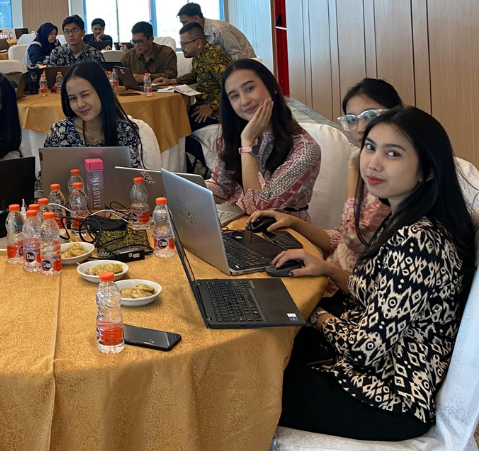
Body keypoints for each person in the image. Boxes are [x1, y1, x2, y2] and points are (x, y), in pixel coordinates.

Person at [272, 106, 475, 441]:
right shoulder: (406, 216)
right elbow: (382, 296)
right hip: (372, 372)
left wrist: (314, 315)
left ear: (427, 171)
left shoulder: (418, 240)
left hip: (389, 397)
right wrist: (328, 269)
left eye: (393, 153)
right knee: (269, 351)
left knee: (251, 385)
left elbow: (365, 349)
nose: (373, 163)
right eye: (370, 147)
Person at [250, 78, 403, 298]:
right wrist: (294, 222)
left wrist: (353, 169)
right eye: (352, 119)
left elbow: (354, 239)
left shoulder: (393, 182)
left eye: (370, 115)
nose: (360, 128)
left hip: (347, 297)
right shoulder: (368, 169)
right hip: (329, 278)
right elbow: (343, 238)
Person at [205, 59, 321, 221]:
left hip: (281, 230)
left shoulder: (305, 148)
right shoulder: (237, 136)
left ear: (271, 87)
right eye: (235, 96)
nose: (244, 101)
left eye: (249, 88)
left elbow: (258, 207)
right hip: (239, 221)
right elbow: (223, 188)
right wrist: (187, 188)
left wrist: (247, 144)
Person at [44, 62, 144, 169]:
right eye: (73, 98)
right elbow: (46, 175)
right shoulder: (59, 132)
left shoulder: (125, 130)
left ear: (102, 92)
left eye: (85, 95)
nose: (80, 104)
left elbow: (134, 175)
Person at [162, 22, 233, 170]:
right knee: (174, 121)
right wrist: (172, 81)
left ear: (198, 43)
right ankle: (186, 166)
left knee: (177, 129)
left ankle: (207, 164)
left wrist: (211, 106)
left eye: (184, 44)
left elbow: (231, 88)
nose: (182, 47)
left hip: (217, 112)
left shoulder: (217, 59)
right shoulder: (199, 56)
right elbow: (194, 75)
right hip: (202, 106)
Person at [177, 3, 255, 60]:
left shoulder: (219, 29)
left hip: (246, 65)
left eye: (185, 23)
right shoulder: (197, 32)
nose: (184, 26)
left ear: (196, 18)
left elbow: (237, 55)